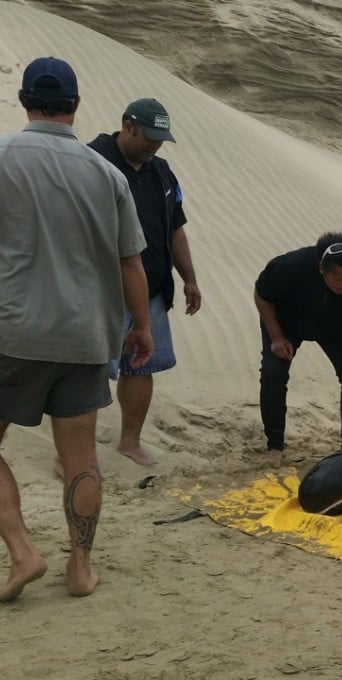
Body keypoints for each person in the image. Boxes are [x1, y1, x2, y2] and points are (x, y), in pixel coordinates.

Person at [0, 57, 153, 600]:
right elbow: (131, 261)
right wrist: (142, 329)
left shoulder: (3, 156)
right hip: (86, 335)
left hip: (13, 331)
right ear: (76, 106)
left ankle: (23, 552)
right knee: (81, 455)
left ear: (23, 101)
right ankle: (80, 570)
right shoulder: (106, 173)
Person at [88, 98, 201, 467]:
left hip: (151, 288)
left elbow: (177, 230)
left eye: (161, 138)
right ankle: (75, 451)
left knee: (142, 367)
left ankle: (129, 442)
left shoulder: (162, 173)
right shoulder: (93, 161)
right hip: (100, 289)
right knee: (88, 371)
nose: (154, 144)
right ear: (128, 125)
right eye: (149, 136)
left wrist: (189, 279)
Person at [254, 233, 342, 467]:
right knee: (273, 373)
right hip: (287, 323)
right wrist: (276, 336)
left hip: (335, 326)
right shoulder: (290, 266)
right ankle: (274, 445)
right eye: (337, 279)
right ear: (321, 268)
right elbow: (262, 295)